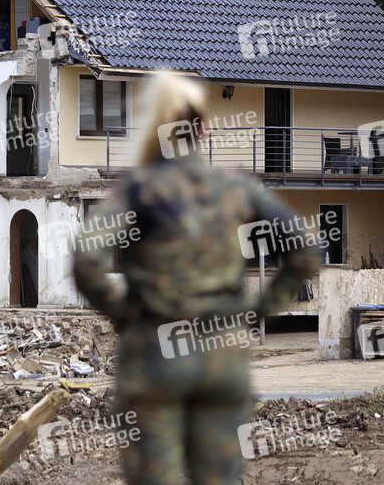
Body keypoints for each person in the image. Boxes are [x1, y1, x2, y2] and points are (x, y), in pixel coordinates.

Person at [73, 73, 320, 485]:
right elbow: (307, 250)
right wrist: (257, 311)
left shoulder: (139, 191)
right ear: (204, 126)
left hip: (155, 356)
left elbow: (85, 261)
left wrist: (124, 314)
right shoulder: (236, 188)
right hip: (222, 356)